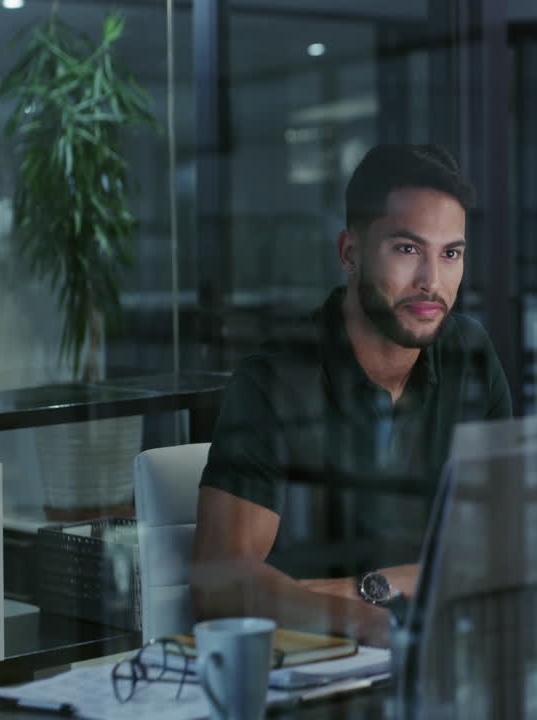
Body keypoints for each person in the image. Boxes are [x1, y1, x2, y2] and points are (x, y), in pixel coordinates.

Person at [190, 144, 512, 647]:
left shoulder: (469, 353)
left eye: (450, 253)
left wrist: (364, 591)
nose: (432, 281)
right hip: (312, 670)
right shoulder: (274, 380)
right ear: (349, 253)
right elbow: (221, 583)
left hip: (439, 654)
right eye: (407, 249)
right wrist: (376, 623)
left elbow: (501, 550)